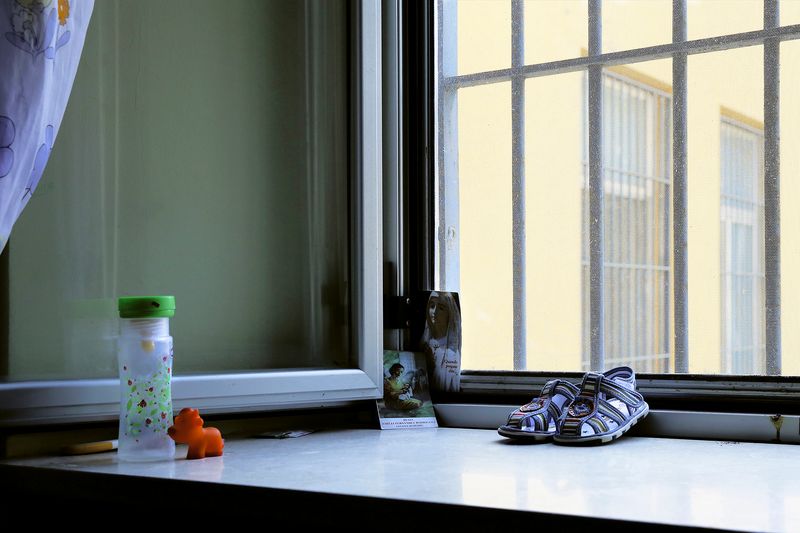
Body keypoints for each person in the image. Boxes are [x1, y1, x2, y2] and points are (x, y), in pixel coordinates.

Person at [420, 291, 461, 392]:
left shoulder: (451, 354)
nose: (434, 311)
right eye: (432, 306)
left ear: (449, 314)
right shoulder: (424, 345)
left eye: (441, 308)